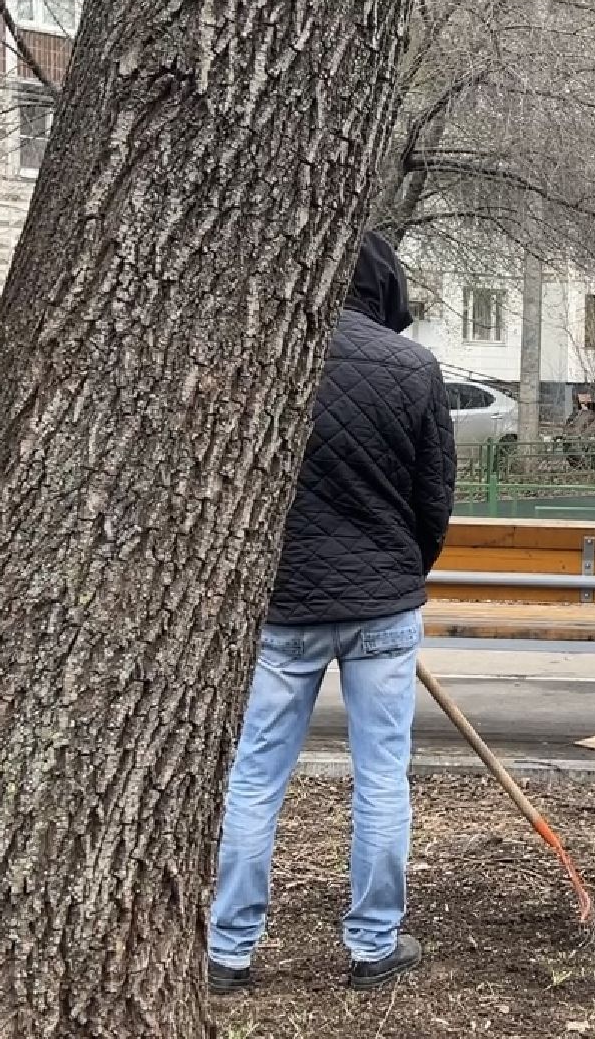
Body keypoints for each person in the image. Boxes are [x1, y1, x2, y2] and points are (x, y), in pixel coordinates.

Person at [208, 231, 457, 993]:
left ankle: (228, 951)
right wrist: (402, 572)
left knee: (254, 780)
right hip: (382, 608)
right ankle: (372, 945)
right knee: (382, 779)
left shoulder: (265, 360)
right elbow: (433, 496)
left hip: (283, 607)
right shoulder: (413, 367)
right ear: (385, 288)